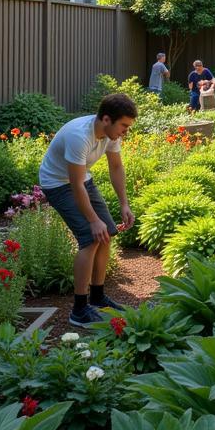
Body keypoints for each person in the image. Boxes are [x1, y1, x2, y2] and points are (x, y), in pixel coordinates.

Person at [38, 92, 138, 327]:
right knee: (91, 238)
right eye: (124, 125)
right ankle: (79, 310)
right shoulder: (78, 136)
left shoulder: (112, 134)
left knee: (107, 235)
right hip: (57, 183)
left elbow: (116, 167)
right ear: (106, 119)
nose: (126, 131)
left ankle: (97, 296)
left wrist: (124, 203)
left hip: (82, 181)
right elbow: (74, 185)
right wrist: (93, 220)